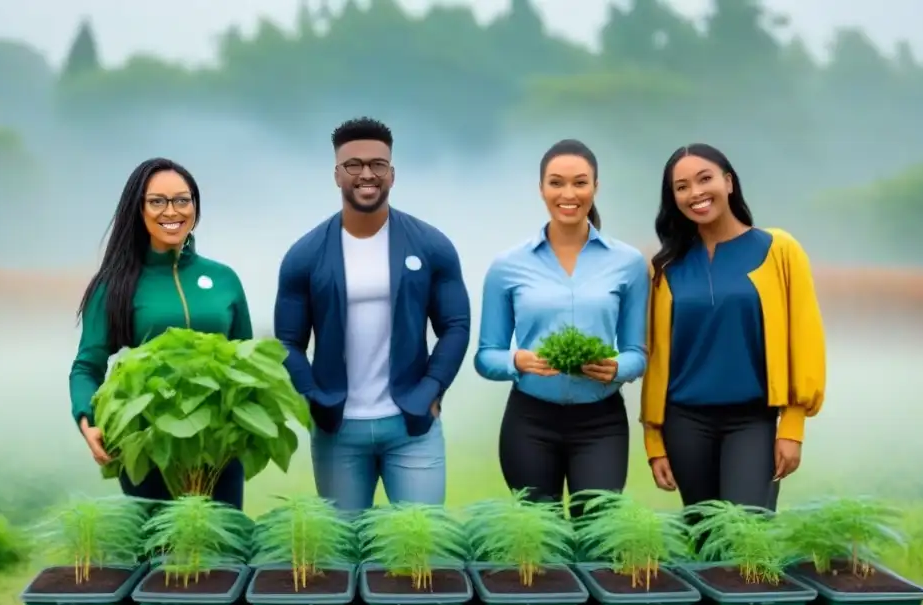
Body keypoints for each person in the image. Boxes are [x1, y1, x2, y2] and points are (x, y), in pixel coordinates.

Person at [274, 117, 470, 516]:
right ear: (336, 174)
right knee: (344, 553)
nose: (367, 174)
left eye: (378, 165)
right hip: (338, 431)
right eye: (354, 165)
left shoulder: (431, 245)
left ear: (392, 174)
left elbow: (455, 326)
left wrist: (431, 390)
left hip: (412, 426)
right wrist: (313, 397)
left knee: (422, 548)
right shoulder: (305, 254)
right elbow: (287, 343)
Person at [640, 143, 826, 519]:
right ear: (673, 198)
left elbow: (804, 340)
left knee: (748, 535)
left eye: (704, 179)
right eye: (681, 186)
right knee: (706, 538)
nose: (695, 193)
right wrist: (654, 441)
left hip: (752, 420)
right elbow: (656, 356)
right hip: (684, 422)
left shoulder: (779, 250)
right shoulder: (664, 268)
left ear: (728, 182)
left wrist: (792, 426)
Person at [474, 139, 649, 512]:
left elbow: (638, 352)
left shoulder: (628, 263)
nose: (568, 194)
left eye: (580, 182)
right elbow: (486, 355)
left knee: (599, 535)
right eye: (556, 183)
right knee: (539, 542)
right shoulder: (508, 266)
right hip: (530, 421)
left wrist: (618, 367)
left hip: (601, 422)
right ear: (541, 189)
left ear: (595, 188)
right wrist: (517, 361)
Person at [69, 157, 253, 509]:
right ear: (138, 208)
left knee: (223, 555)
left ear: (195, 206)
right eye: (157, 201)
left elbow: (245, 359)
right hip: (148, 444)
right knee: (159, 558)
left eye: (182, 200)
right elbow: (87, 366)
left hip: (220, 445)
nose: (172, 211)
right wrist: (87, 419)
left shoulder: (224, 280)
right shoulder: (114, 285)